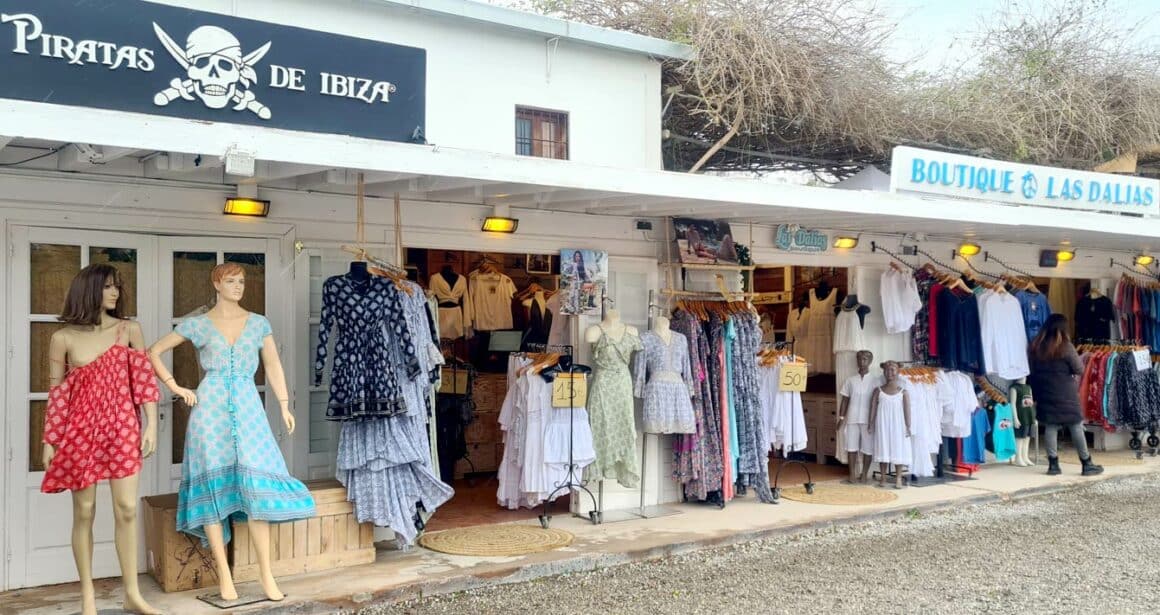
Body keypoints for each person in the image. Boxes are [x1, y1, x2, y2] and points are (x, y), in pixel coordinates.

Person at [1027, 314, 1103, 476]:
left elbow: (1031, 371)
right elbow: (1079, 369)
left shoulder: (1035, 346)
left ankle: (1053, 465)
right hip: (1066, 392)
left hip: (1044, 390)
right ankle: (1086, 463)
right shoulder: (1065, 346)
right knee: (1075, 425)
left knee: (1051, 426)